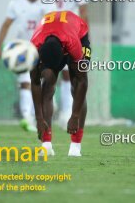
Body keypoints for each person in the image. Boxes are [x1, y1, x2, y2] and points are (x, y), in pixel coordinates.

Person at [30, 10, 91, 157]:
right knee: (48, 83)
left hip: (78, 34)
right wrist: (39, 118)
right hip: (52, 34)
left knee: (76, 85)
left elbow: (83, 81)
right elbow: (35, 82)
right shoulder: (33, 48)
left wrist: (75, 116)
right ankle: (46, 145)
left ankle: (76, 146)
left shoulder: (73, 44)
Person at [42, 0, 89, 128]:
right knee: (47, 73)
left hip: (69, 33)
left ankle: (66, 112)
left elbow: (83, 11)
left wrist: (84, 36)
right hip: (49, 33)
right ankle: (45, 111)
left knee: (70, 74)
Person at [0, 0, 45, 132]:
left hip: (41, 48)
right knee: (25, 82)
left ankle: (42, 115)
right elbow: (6, 25)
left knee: (41, 83)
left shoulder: (46, 5)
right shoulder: (15, 4)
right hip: (22, 49)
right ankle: (26, 117)